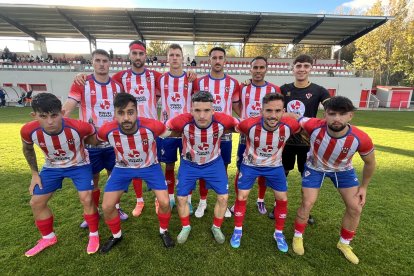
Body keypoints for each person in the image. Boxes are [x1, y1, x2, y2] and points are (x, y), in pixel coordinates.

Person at [290, 96, 376, 264]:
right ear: (325, 115)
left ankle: (344, 244)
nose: (337, 118)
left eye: (342, 114)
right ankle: (297, 236)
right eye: (332, 114)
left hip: (343, 170)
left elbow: (370, 163)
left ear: (350, 116)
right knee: (307, 203)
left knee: (355, 207)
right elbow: (294, 117)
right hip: (315, 167)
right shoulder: (313, 125)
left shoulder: (361, 138)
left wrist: (364, 187)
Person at [21, 93, 100, 257]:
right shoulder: (28, 130)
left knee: (86, 197)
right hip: (51, 168)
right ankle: (48, 237)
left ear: (62, 113)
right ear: (34, 115)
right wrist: (35, 174)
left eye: (54, 115)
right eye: (43, 116)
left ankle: (94, 234)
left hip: (79, 164)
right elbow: (27, 149)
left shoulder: (79, 127)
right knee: (36, 202)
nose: (50, 122)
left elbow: (93, 134)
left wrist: (91, 142)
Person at [98, 93, 174, 253]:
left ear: (136, 112)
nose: (126, 117)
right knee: (107, 206)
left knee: (165, 203)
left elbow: (171, 133)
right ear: (115, 113)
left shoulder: (153, 126)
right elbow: (93, 140)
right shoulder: (106, 130)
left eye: (130, 112)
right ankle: (116, 235)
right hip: (122, 168)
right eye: (121, 113)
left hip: (150, 167)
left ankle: (164, 231)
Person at [63, 49, 127, 228]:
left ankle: (116, 206)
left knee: (114, 177)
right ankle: (94, 211)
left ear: (109, 63)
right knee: (94, 178)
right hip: (91, 142)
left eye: (104, 61)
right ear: (92, 63)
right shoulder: (82, 83)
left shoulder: (116, 87)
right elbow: (70, 104)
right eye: (97, 60)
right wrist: (59, 116)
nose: (101, 64)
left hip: (113, 141)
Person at [165, 91, 239, 244]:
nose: (202, 115)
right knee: (181, 198)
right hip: (189, 164)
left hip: (213, 163)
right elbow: (166, 129)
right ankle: (185, 227)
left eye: (206, 110)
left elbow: (241, 125)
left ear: (213, 110)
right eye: (197, 110)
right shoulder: (181, 121)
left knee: (223, 197)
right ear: (191, 110)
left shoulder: (223, 120)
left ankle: (216, 227)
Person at [230, 93, 300, 252]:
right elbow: (232, 127)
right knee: (242, 196)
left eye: (277, 111)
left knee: (282, 198)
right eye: (268, 110)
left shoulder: (290, 125)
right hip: (250, 165)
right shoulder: (248, 125)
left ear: (283, 111)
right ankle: (237, 230)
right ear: (261, 110)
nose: (273, 115)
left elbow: (307, 129)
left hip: (275, 167)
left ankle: (278, 233)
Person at [269, 54, 330, 222]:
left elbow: (331, 109)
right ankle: (277, 206)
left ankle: (306, 210)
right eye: (298, 66)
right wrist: (286, 114)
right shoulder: (283, 88)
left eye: (306, 66)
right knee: (282, 174)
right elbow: (272, 108)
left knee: (307, 176)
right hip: (286, 141)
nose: (302, 69)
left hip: (308, 143)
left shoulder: (319, 90)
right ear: (293, 68)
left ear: (311, 68)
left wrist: (322, 123)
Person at [193, 47, 240, 218]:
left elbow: (236, 106)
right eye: (214, 58)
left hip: (224, 132)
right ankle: (203, 201)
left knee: (224, 167)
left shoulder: (234, 83)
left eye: (221, 57)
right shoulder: (199, 82)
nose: (218, 60)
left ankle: (223, 202)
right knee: (203, 165)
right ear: (209, 60)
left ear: (225, 61)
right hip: (204, 132)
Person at [233, 56, 281, 215]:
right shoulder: (243, 87)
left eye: (262, 68)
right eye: (255, 68)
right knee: (241, 168)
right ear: (250, 69)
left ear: (266, 69)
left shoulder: (274, 89)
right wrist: (247, 121)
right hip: (246, 135)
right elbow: (236, 105)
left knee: (264, 167)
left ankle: (260, 200)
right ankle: (237, 201)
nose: (258, 71)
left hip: (268, 135)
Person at [157, 43, 196, 212]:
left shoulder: (192, 79)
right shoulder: (160, 79)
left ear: (182, 58)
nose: (174, 58)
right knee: (170, 166)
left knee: (189, 166)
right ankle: (171, 197)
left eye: (177, 55)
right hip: (168, 132)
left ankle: (188, 199)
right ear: (167, 58)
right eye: (171, 55)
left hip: (187, 131)